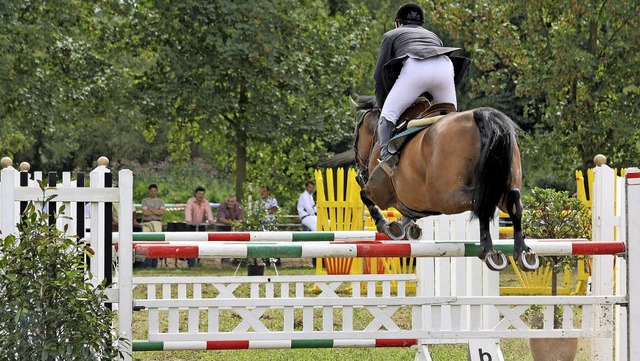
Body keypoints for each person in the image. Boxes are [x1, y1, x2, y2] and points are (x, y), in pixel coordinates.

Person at [370, 3, 461, 182]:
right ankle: (459, 157)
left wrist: (383, 105)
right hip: (445, 66)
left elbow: (380, 75)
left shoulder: (391, 35)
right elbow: (429, 83)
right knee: (452, 120)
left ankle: (387, 159)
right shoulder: (433, 36)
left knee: (388, 115)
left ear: (399, 23)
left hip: (416, 67)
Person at [185, 186, 215, 267]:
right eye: (199, 193)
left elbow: (208, 211)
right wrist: (189, 220)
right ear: (195, 194)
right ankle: (191, 263)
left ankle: (197, 262)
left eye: (202, 194)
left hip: (201, 226)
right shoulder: (190, 201)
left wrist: (210, 219)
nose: (201, 195)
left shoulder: (205, 202)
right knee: (191, 245)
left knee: (200, 244)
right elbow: (188, 210)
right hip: (191, 226)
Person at [141, 184, 165, 268]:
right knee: (146, 242)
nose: (153, 193)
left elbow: (162, 212)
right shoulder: (145, 200)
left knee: (156, 242)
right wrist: (156, 211)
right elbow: (145, 213)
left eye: (154, 191)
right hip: (147, 222)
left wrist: (150, 209)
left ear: (157, 191)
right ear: (149, 192)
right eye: (151, 191)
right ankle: (147, 263)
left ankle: (154, 264)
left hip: (157, 222)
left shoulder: (160, 201)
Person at [216, 194, 244, 267]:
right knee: (225, 243)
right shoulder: (221, 206)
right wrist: (233, 222)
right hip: (222, 227)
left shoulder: (240, 207)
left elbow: (242, 219)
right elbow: (221, 219)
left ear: (235, 202)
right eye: (228, 201)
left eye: (232, 201)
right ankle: (225, 261)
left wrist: (235, 223)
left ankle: (238, 260)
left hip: (234, 227)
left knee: (238, 241)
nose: (230, 203)